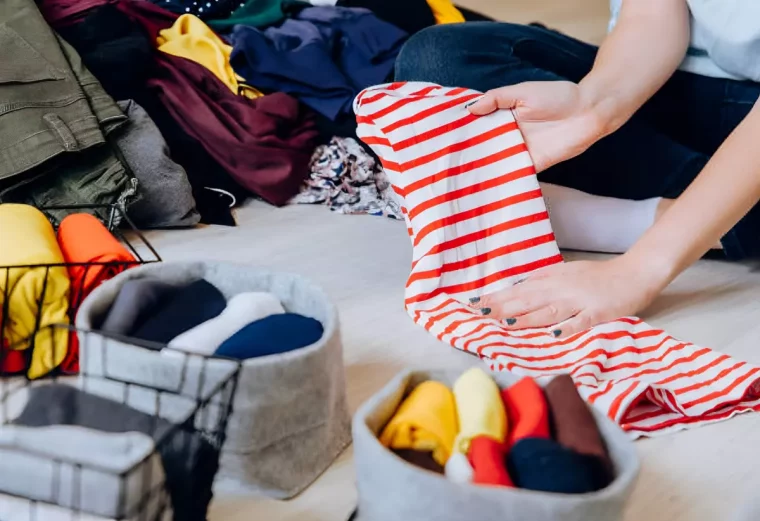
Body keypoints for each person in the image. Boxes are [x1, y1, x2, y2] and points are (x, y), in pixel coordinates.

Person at [393, 0, 760, 338]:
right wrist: (594, 106)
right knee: (438, 59)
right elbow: (651, 14)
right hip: (680, 81)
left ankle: (676, 219)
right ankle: (715, 214)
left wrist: (638, 271)